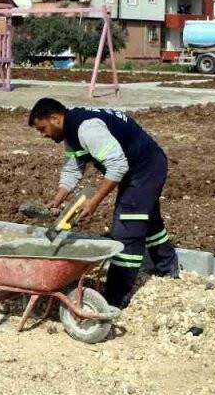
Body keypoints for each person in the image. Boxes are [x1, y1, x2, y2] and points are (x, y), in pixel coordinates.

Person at [27, 97, 178, 308]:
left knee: (126, 228)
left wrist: (93, 202)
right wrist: (57, 200)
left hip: (145, 168)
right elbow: (73, 168)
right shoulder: (71, 130)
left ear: (54, 118)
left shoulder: (87, 128)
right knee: (148, 221)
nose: (43, 135)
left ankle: (116, 298)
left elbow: (117, 166)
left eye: (43, 128)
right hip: (136, 168)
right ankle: (168, 269)